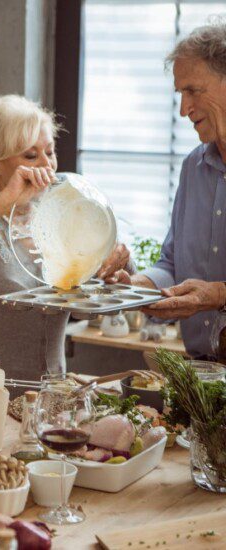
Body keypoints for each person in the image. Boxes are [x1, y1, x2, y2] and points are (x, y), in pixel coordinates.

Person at [0, 95, 130, 385]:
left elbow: (77, 308)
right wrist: (4, 201)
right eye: (30, 155)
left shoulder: (64, 221)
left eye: (49, 152)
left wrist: (112, 271)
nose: (46, 165)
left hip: (51, 389)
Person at [111, 22, 226, 358]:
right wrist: (131, 288)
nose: (184, 110)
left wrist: (216, 294)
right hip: (199, 370)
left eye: (193, 90)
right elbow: (172, 266)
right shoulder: (193, 168)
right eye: (180, 94)